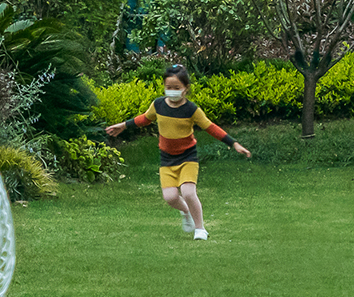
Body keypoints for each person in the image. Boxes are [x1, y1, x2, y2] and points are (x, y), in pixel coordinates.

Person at [105, 64, 251, 240]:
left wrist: (233, 143)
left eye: (176, 88)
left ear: (185, 88)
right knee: (170, 197)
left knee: (188, 192)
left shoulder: (191, 110)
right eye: (169, 87)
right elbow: (145, 118)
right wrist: (123, 125)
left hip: (188, 157)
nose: (172, 91)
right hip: (167, 158)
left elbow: (210, 127)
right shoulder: (158, 105)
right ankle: (186, 211)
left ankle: (200, 229)